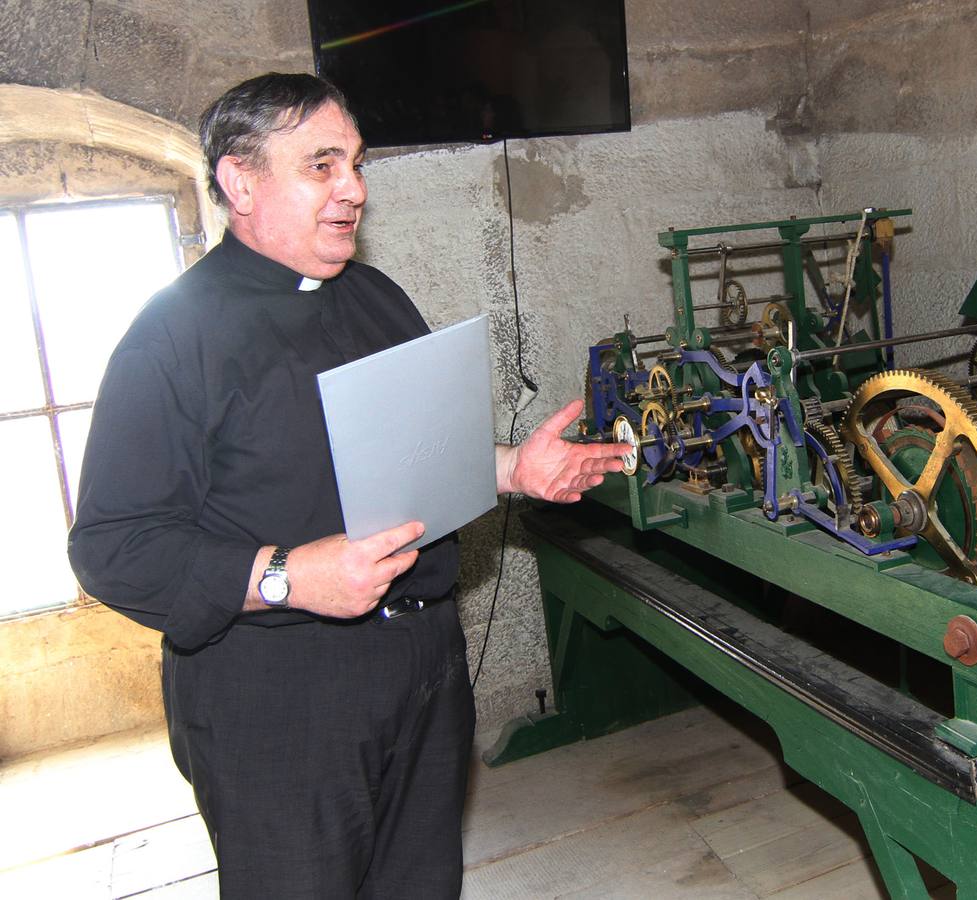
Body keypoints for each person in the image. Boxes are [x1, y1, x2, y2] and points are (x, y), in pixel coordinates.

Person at [67, 73, 627, 898]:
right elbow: (113, 547)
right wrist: (290, 575)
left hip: (424, 666)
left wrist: (513, 467)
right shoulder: (171, 336)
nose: (354, 190)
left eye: (356, 164)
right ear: (240, 183)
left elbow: (417, 457)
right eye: (322, 166)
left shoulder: (373, 294)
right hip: (279, 694)